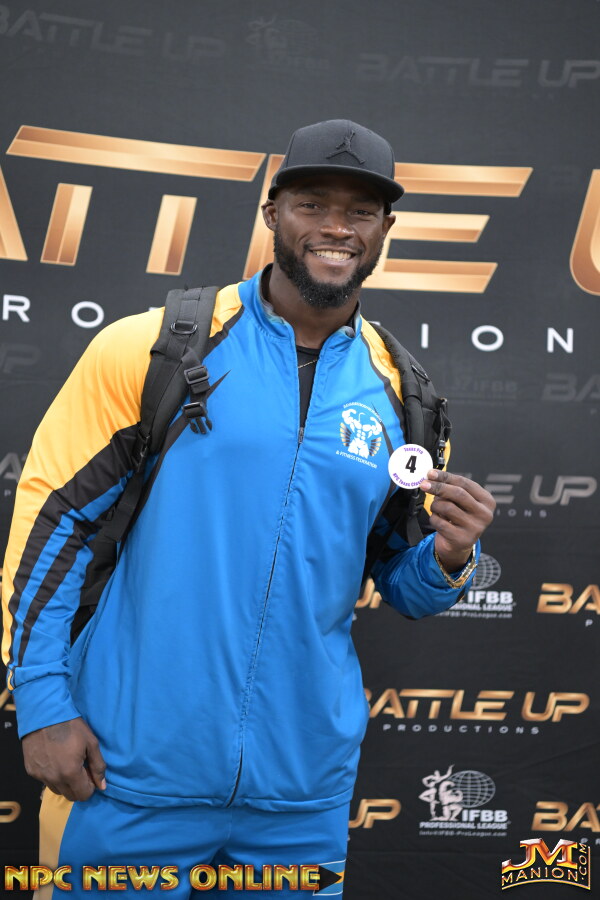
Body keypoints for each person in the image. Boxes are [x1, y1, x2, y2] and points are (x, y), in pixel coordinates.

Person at [1, 119, 495, 897]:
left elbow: (402, 581)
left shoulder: (407, 396)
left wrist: (448, 558)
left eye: (361, 211)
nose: (337, 227)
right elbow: (53, 523)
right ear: (272, 213)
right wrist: (41, 704)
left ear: (385, 229)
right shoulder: (155, 348)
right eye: (312, 203)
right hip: (129, 774)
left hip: (301, 794)